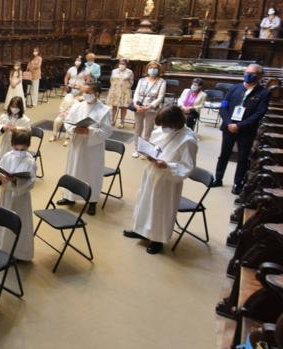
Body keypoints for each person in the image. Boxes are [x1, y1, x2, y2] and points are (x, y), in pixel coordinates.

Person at [124, 106, 198, 254]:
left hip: (168, 179)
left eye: (165, 125)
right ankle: (141, 230)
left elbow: (187, 166)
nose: (162, 128)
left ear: (176, 123)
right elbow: (153, 146)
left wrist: (167, 165)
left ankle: (158, 239)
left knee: (160, 209)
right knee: (145, 202)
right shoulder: (160, 131)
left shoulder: (188, 139)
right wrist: (148, 153)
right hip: (152, 172)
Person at [213, 64, 270, 194]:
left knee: (243, 158)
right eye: (247, 72)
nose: (248, 75)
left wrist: (239, 126)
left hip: (246, 130)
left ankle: (237, 184)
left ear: (259, 76)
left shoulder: (264, 93)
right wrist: (228, 123)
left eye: (252, 73)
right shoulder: (234, 88)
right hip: (228, 127)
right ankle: (218, 178)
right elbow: (223, 106)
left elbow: (259, 114)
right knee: (224, 155)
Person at [57, 83, 113, 216]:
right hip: (77, 144)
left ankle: (92, 201)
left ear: (97, 93)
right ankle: (69, 197)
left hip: (92, 148)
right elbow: (67, 122)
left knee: (91, 173)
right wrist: (74, 129)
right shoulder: (77, 106)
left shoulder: (104, 110)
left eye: (89, 92)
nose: (86, 95)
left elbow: (107, 131)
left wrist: (89, 131)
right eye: (84, 92)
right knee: (73, 169)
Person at [0, 130, 36, 261]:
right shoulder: (8, 156)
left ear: (28, 146)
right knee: (4, 220)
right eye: (16, 148)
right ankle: (3, 247)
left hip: (20, 198)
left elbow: (31, 182)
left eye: (22, 149)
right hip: (6, 194)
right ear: (12, 144)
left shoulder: (30, 161)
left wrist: (17, 181)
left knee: (19, 222)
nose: (19, 151)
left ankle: (19, 253)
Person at [132, 60, 166, 158]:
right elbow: (136, 93)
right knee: (138, 129)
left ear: (158, 70)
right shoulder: (142, 80)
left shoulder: (161, 82)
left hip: (151, 109)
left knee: (148, 130)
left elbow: (160, 97)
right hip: (139, 108)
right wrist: (135, 104)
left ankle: (145, 151)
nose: (153, 70)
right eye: (151, 68)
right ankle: (136, 149)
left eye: (155, 68)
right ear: (147, 69)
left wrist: (149, 106)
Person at [107, 58, 134, 128]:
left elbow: (131, 82)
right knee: (114, 106)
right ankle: (112, 120)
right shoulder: (114, 71)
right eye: (120, 63)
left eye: (123, 64)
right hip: (115, 90)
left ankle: (122, 121)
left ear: (126, 65)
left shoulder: (129, 72)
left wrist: (125, 86)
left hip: (125, 91)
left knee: (123, 107)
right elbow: (111, 80)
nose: (121, 65)